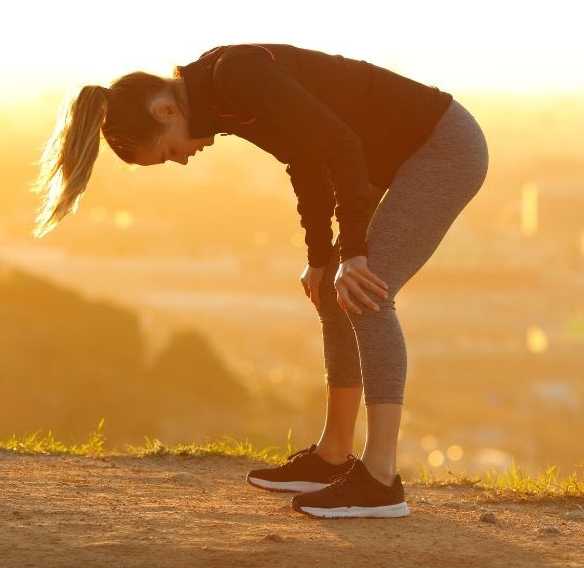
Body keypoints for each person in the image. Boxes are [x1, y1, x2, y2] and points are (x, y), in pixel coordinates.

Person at [29, 43, 488, 519]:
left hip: (441, 147)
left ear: (165, 109)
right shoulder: (219, 95)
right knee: (336, 288)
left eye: (168, 151)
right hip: (387, 155)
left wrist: (353, 252)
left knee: (368, 291)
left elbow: (339, 146)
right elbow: (305, 160)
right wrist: (320, 257)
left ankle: (380, 480)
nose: (183, 160)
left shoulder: (236, 79)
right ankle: (333, 454)